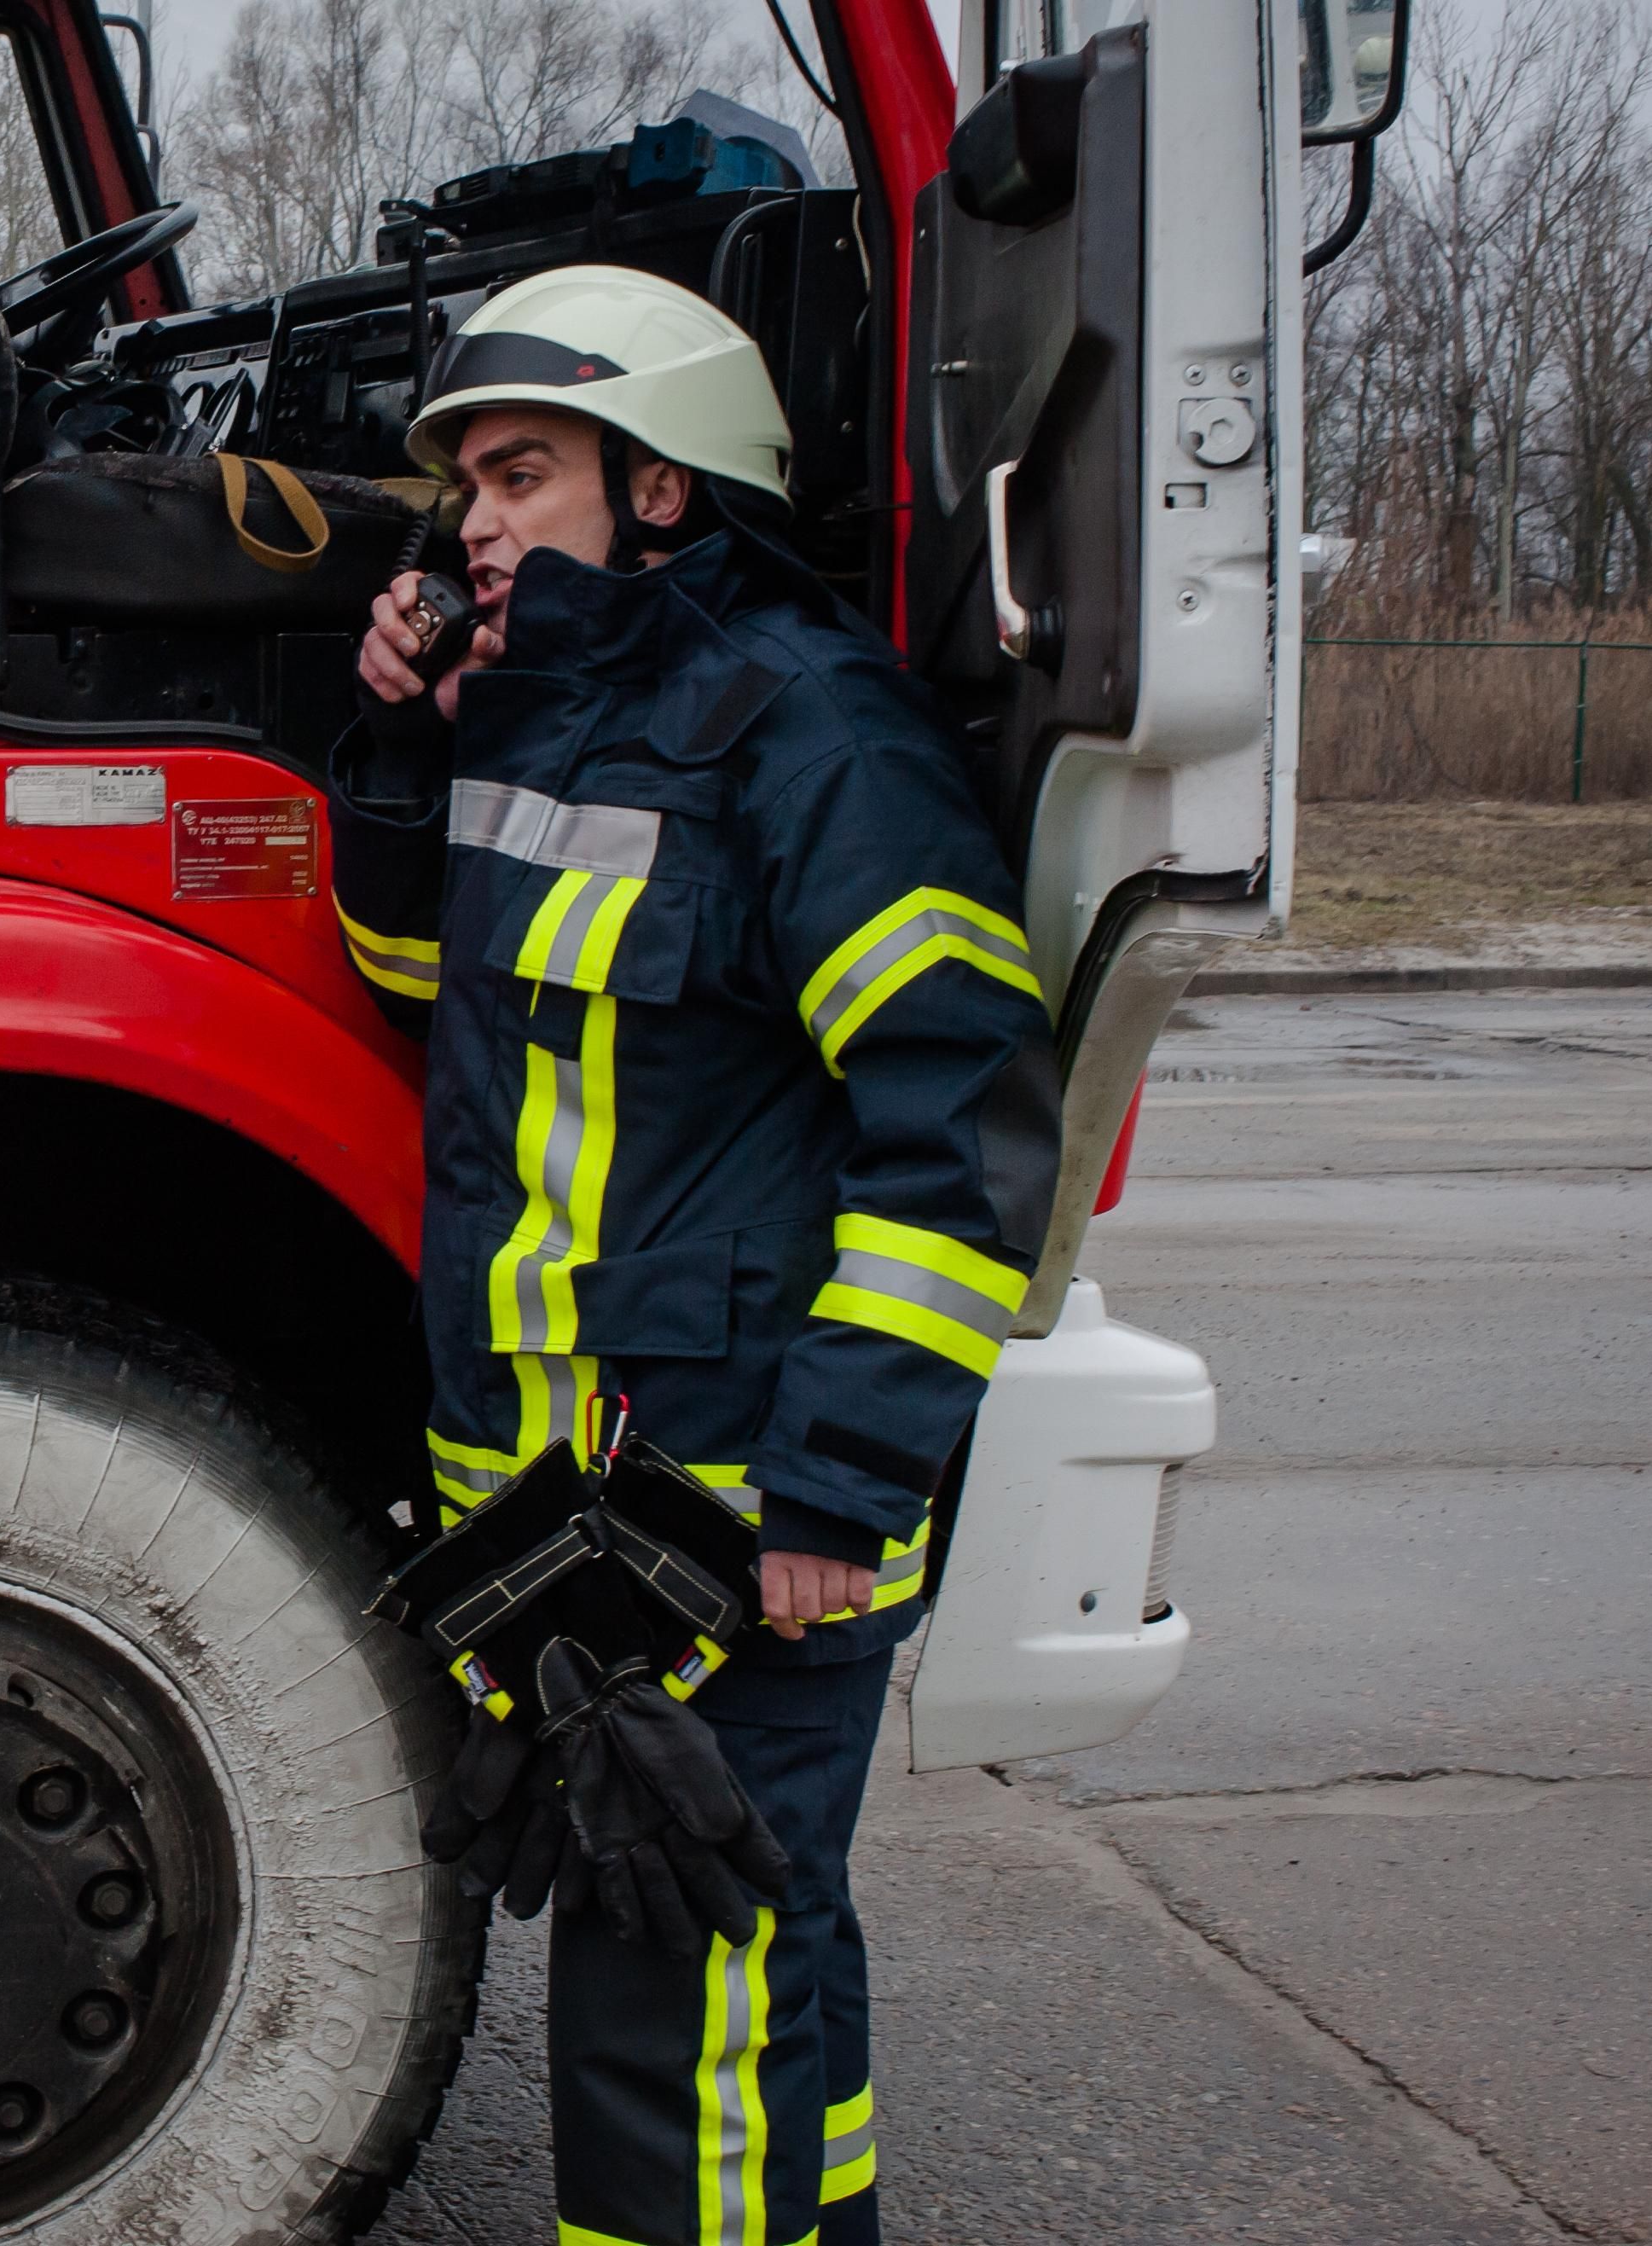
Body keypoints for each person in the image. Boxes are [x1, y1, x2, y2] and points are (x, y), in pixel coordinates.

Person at [327, 265, 1063, 2246]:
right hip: (591, 1505)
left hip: (739, 1511)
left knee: (673, 2002)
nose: (472, 523)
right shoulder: (550, 719)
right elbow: (418, 982)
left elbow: (959, 1123)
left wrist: (836, 1484)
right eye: (467, 487)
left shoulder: (810, 733)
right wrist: (394, 746)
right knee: (751, 1951)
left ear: (657, 488)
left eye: (519, 475)